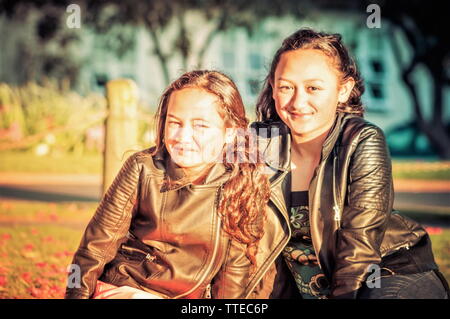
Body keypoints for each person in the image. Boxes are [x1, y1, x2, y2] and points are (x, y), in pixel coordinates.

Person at [252, 28, 449, 299]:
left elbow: (359, 250)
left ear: (343, 90)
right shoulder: (258, 142)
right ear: (273, 88)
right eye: (286, 87)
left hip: (386, 274)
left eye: (313, 88)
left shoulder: (361, 139)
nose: (298, 101)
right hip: (312, 287)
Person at [65, 70, 289, 299]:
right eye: (174, 123)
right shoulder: (143, 168)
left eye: (200, 126)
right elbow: (92, 249)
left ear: (230, 133)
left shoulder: (242, 184)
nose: (183, 136)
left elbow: (233, 276)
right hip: (127, 290)